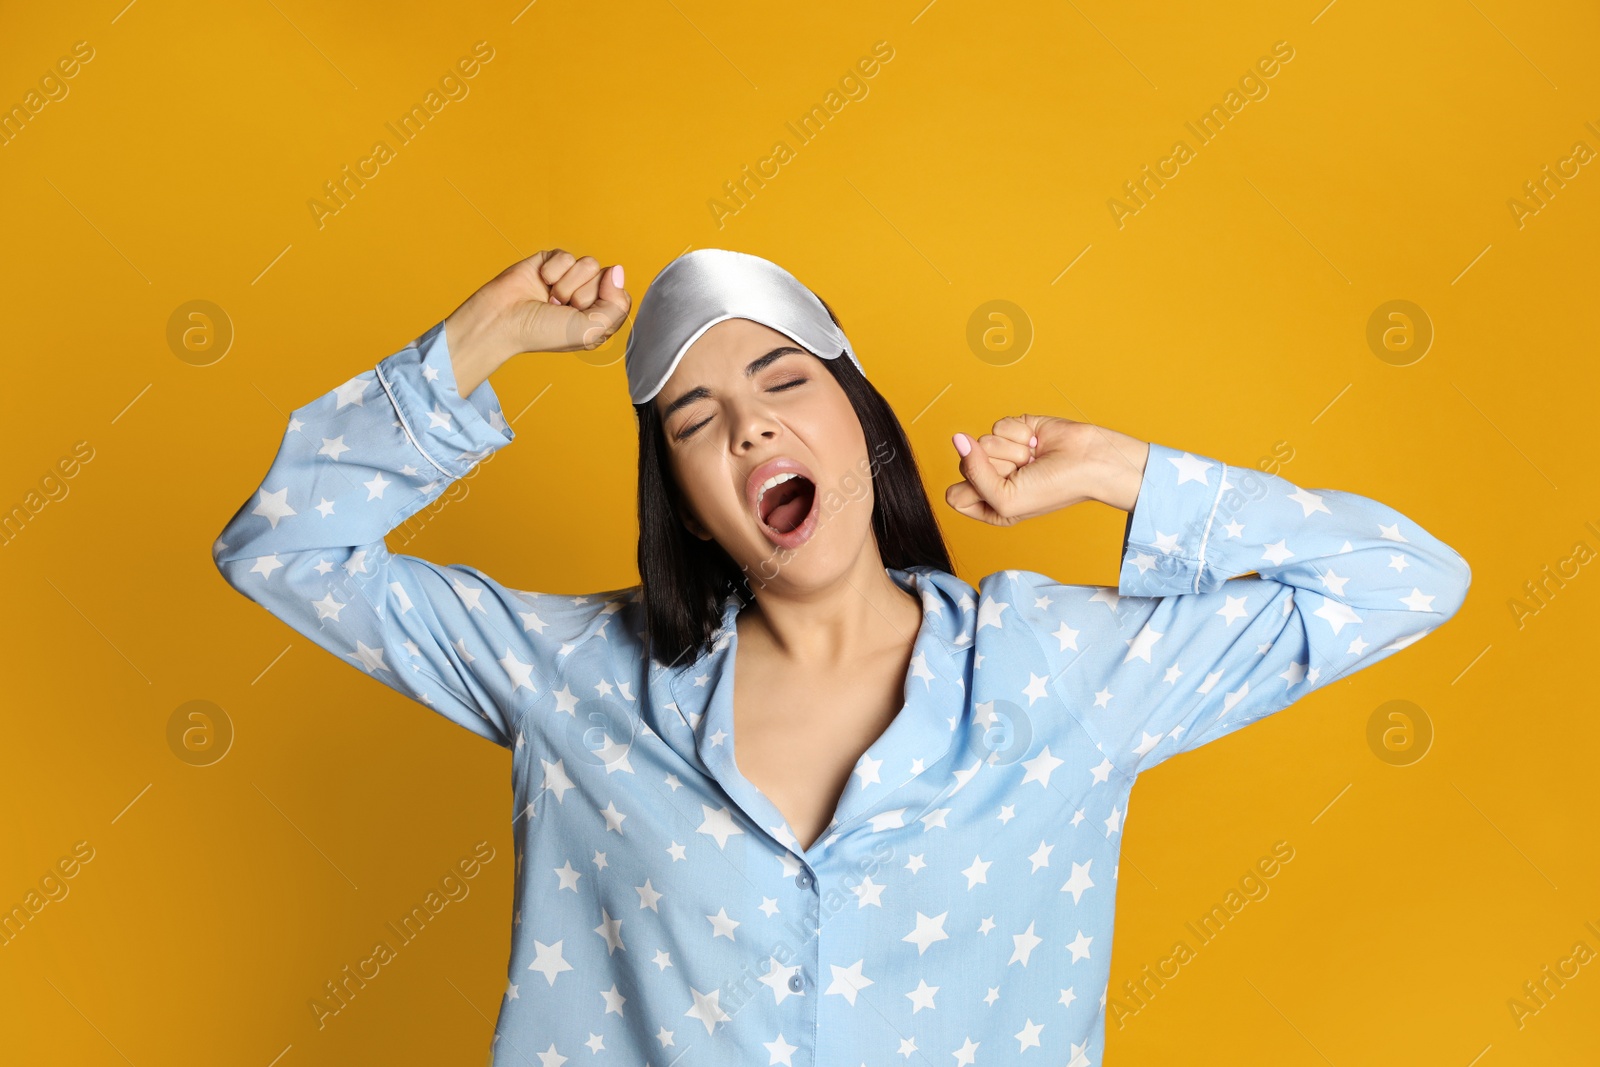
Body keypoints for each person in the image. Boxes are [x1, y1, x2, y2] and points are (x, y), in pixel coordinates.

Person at [212, 247, 1472, 1065]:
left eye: (784, 383)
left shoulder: (1058, 672)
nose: (750, 421)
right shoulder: (576, 678)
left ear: (861, 428)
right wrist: (480, 338)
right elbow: (281, 544)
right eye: (699, 421)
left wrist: (1118, 473)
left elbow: (1406, 579)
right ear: (687, 500)